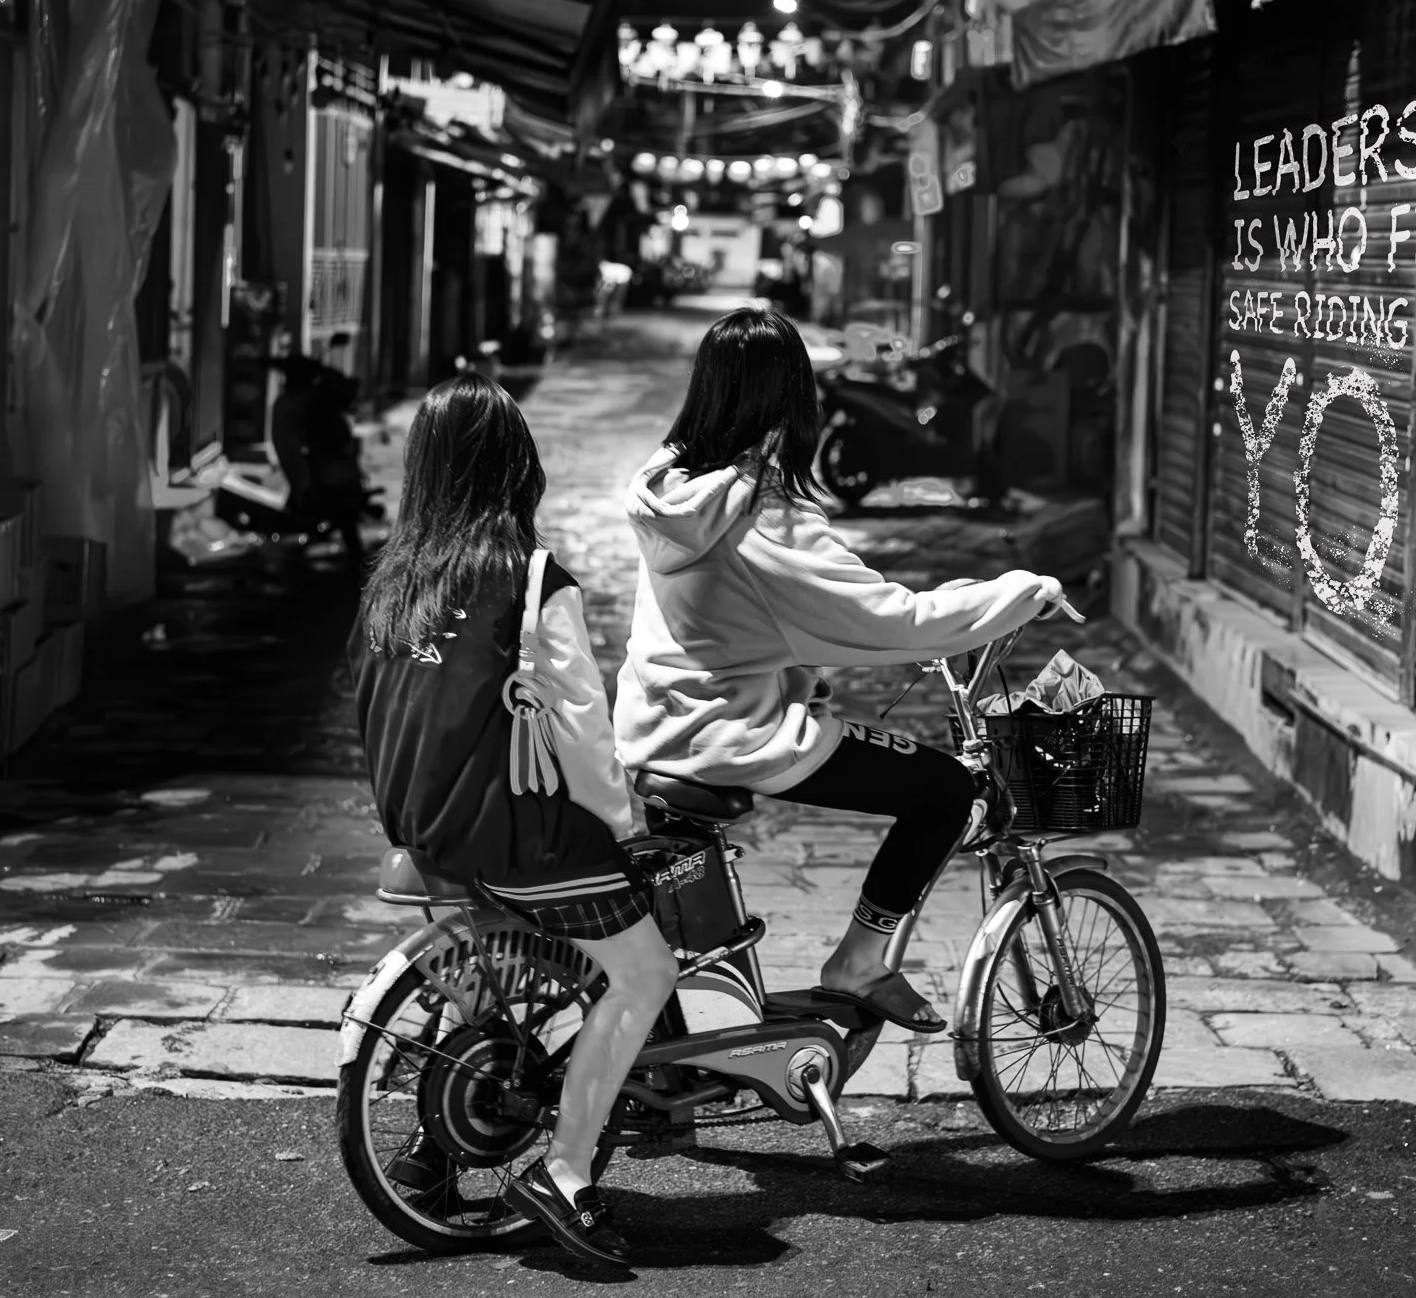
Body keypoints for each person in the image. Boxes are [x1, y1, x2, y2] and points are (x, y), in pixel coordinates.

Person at [615, 308, 1064, 1035]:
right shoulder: (762, 514)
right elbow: (890, 623)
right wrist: (1018, 592)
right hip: (737, 733)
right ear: (794, 399)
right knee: (945, 789)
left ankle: (699, 1031)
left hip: (657, 722)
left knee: (690, 932)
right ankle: (858, 962)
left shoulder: (670, 490)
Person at [350, 373, 673, 1270]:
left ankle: (433, 1150)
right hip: (512, 833)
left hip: (422, 826)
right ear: (515, 467)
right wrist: (623, 820)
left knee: (518, 973)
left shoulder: (393, 581)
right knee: (645, 970)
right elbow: (582, 726)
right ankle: (565, 1173)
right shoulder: (530, 579)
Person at [268, 352, 366, 569]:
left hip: (326, 475)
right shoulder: (319, 400)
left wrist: (302, 482)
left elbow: (289, 449)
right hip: (338, 473)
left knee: (337, 523)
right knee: (347, 528)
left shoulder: (297, 404)